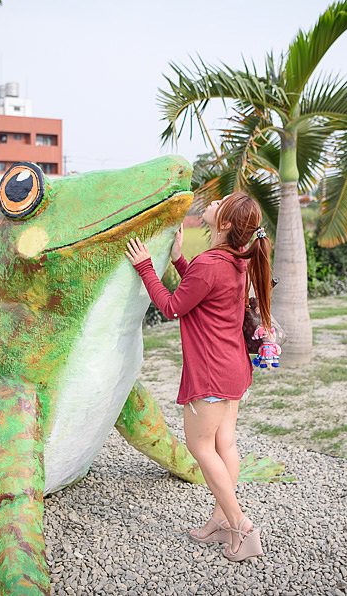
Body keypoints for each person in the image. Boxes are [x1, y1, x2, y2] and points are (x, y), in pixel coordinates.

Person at [124, 192, 274, 562]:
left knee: (201, 447)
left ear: (224, 223)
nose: (214, 201)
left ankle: (242, 527)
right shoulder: (237, 258)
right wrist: (177, 258)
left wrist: (145, 266)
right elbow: (206, 289)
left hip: (211, 372)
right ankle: (219, 521)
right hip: (235, 367)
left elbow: (174, 306)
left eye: (221, 202)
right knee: (225, 445)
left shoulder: (213, 262)